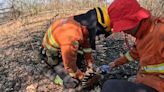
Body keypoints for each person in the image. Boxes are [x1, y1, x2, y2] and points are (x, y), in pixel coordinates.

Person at [40, 6, 111, 90]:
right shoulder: (71, 36)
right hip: (52, 55)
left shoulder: (81, 23)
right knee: (71, 83)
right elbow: (69, 66)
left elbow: (86, 43)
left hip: (63, 47)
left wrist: (89, 63)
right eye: (99, 33)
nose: (97, 36)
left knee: (79, 60)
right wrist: (82, 77)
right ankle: (48, 72)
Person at [101, 0, 164, 92]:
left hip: (158, 86)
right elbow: (133, 53)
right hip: (146, 81)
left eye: (124, 26)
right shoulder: (142, 34)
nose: (123, 30)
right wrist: (115, 63)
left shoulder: (160, 32)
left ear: (136, 19)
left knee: (110, 87)